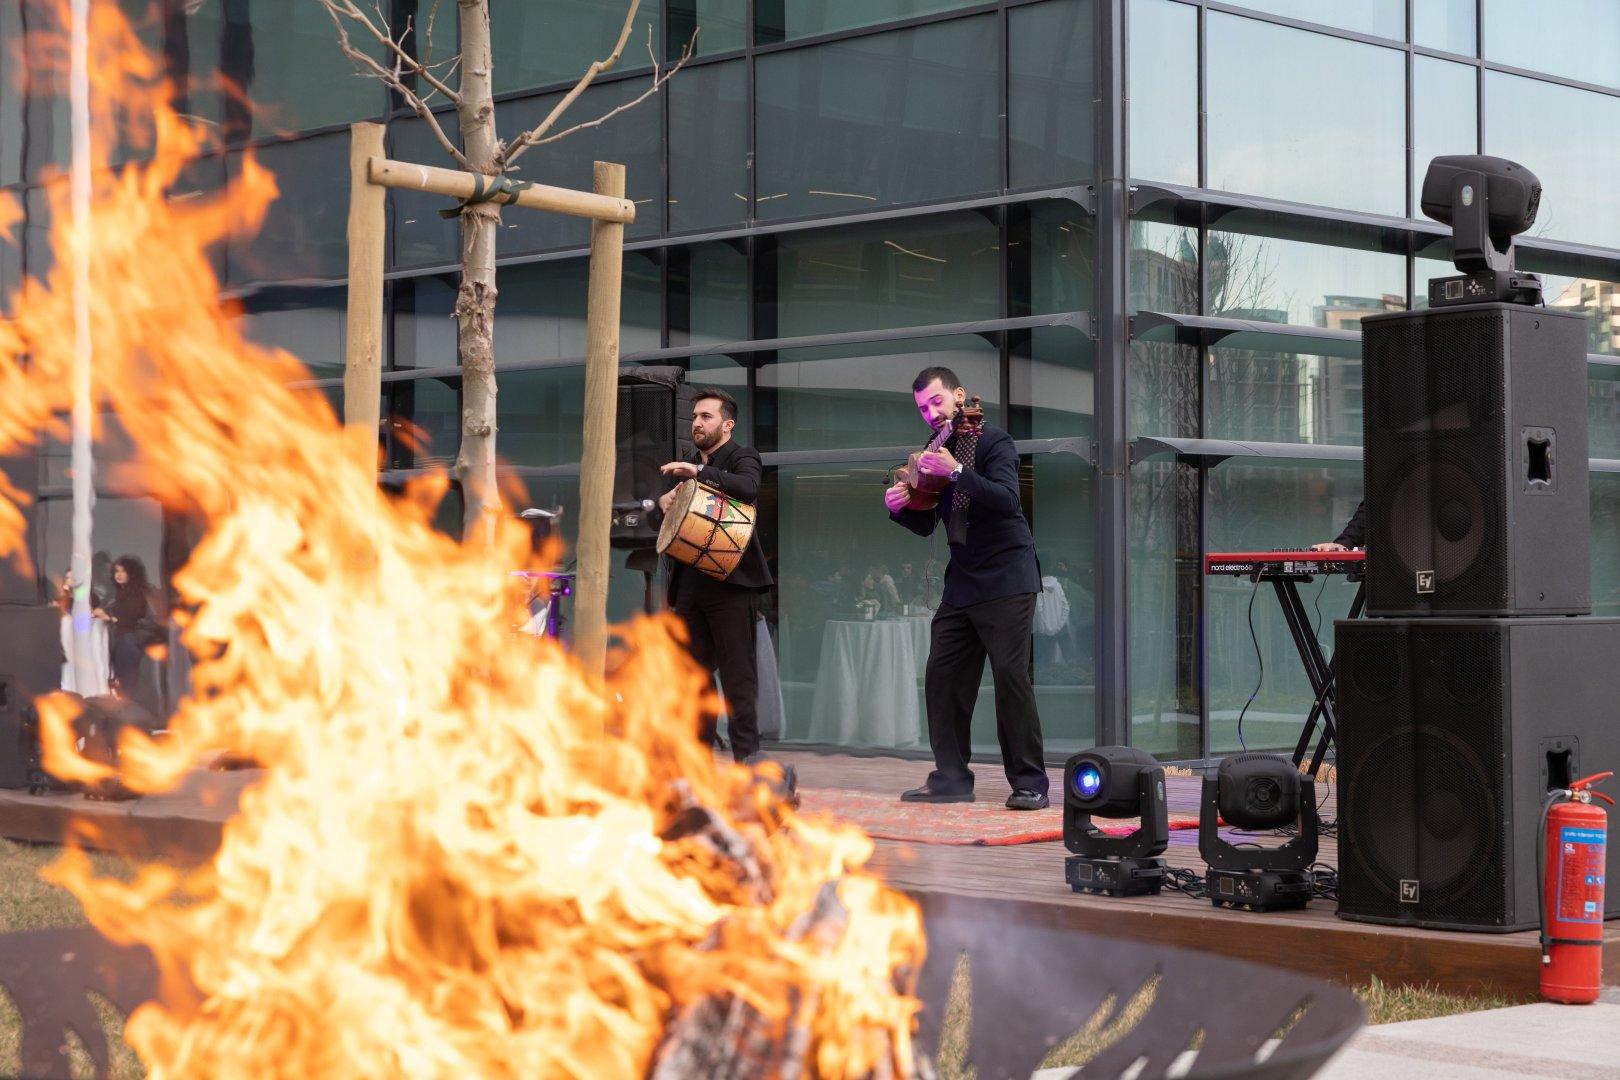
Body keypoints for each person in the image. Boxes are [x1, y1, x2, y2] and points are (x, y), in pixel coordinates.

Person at [884, 367, 1049, 811]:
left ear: (959, 396)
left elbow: (1007, 499)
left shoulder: (994, 441)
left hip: (1007, 578)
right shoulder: (935, 450)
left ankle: (1031, 782)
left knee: (1011, 680)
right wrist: (899, 507)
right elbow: (926, 524)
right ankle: (951, 779)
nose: (931, 412)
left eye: (937, 402)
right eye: (922, 408)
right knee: (943, 679)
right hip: (962, 583)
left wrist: (957, 471)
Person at [657, 388, 775, 764]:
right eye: (694, 417)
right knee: (692, 678)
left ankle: (748, 764)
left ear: (727, 424)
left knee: (739, 679)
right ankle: (697, 763)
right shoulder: (688, 465)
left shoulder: (743, 457)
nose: (696, 423)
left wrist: (701, 471)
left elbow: (749, 488)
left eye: (705, 417)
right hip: (690, 584)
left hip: (733, 585)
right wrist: (664, 504)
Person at [98, 555, 158, 700]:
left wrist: (108, 617)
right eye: (116, 571)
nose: (118, 574)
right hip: (120, 640)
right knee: (123, 681)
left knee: (129, 682)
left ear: (132, 573)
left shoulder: (138, 594)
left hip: (129, 640)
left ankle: (132, 713)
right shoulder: (119, 595)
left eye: (123, 571)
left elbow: (130, 619)